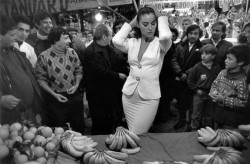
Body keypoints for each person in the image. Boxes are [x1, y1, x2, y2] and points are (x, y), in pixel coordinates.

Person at [112, 5, 172, 134]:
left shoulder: (161, 43)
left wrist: (160, 15)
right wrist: (133, 21)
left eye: (153, 23)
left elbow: (166, 35)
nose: (150, 28)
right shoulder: (133, 42)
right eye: (145, 24)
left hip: (149, 97)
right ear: (138, 25)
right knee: (132, 132)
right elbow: (116, 40)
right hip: (129, 95)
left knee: (139, 133)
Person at [34, 27, 85, 133]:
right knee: (59, 130)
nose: (69, 41)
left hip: (74, 95)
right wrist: (54, 94)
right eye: (66, 38)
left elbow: (78, 70)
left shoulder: (72, 52)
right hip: (55, 99)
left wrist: (76, 85)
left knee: (79, 127)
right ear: (55, 40)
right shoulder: (43, 57)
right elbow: (40, 79)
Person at [83, 24, 127, 135]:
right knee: (100, 122)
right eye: (110, 35)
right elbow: (100, 72)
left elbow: (117, 58)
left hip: (109, 92)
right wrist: (118, 75)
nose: (111, 38)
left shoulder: (107, 47)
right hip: (97, 95)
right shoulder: (90, 52)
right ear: (104, 37)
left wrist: (128, 62)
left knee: (110, 119)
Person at [0, 15, 44, 125]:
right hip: (7, 120)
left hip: (25, 114)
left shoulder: (13, 51)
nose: (16, 37)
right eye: (12, 35)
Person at [171, 24, 203, 130]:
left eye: (195, 33)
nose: (193, 36)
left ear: (199, 35)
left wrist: (187, 74)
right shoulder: (180, 45)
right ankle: (181, 120)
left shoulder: (201, 47)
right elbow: (174, 60)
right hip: (180, 78)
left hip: (192, 80)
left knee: (191, 103)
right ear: (187, 34)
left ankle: (190, 123)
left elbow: (199, 64)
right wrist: (180, 73)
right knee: (180, 102)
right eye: (191, 33)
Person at [209, 45, 249, 129]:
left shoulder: (243, 81)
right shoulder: (222, 73)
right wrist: (213, 93)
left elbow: (243, 103)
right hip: (217, 115)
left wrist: (223, 99)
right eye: (226, 58)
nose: (225, 61)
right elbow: (214, 84)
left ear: (240, 62)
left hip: (231, 121)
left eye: (230, 59)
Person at [187, 44, 221, 130]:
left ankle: (208, 130)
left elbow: (219, 81)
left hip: (211, 95)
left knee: (209, 115)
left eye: (206, 54)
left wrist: (216, 90)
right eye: (202, 54)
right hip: (199, 95)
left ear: (213, 56)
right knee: (196, 115)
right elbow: (189, 81)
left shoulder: (217, 68)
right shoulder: (197, 67)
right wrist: (196, 90)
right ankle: (193, 130)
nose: (203, 56)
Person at [154, 27, 178, 126]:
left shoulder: (172, 45)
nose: (172, 36)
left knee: (167, 96)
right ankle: (160, 117)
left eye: (173, 35)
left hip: (169, 74)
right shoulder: (159, 43)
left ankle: (166, 114)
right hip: (160, 74)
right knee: (161, 96)